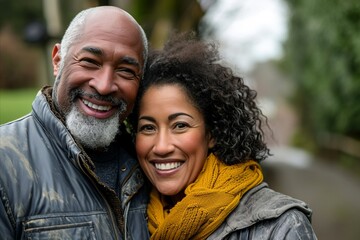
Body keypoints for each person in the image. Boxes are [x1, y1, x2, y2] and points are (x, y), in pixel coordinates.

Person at [130, 32, 318, 239]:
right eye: (148, 128)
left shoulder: (282, 227)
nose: (161, 146)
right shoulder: (127, 220)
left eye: (180, 125)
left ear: (211, 134)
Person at [0, 6, 151, 239]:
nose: (104, 85)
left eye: (126, 71)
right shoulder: (5, 162)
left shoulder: (155, 166)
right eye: (90, 61)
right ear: (58, 60)